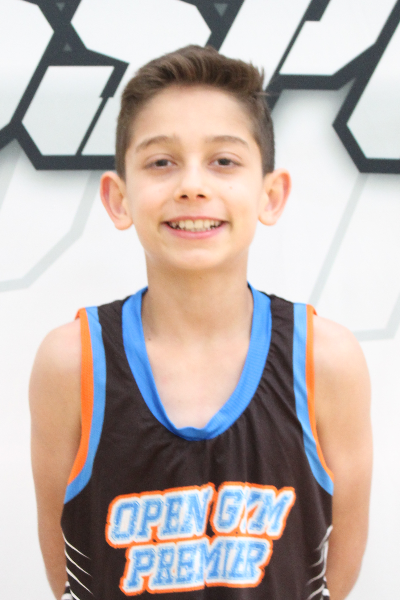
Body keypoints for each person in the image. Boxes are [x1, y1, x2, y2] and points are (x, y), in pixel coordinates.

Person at [30, 45, 372, 600]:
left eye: (224, 161)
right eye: (161, 162)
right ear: (119, 198)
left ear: (270, 195)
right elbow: (68, 571)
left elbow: (335, 575)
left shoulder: (325, 360)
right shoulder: (72, 363)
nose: (192, 185)